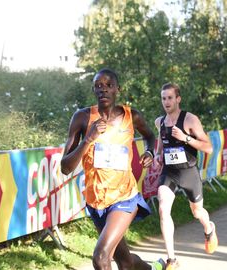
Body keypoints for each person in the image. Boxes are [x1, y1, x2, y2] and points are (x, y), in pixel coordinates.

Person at [61, 68, 166, 270]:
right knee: (125, 263)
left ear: (118, 89)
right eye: (98, 86)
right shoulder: (82, 118)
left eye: (109, 85)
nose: (104, 89)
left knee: (101, 258)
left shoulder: (131, 116)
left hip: (125, 197)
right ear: (93, 90)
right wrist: (88, 139)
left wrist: (150, 153)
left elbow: (150, 136)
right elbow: (66, 167)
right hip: (96, 202)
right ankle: (153, 268)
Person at [154, 83, 218, 270]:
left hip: (189, 172)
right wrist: (157, 156)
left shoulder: (190, 120)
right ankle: (172, 260)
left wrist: (185, 138)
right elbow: (161, 144)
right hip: (169, 172)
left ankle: (209, 228)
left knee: (197, 212)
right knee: (163, 208)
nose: (166, 102)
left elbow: (209, 147)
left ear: (178, 99)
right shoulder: (159, 122)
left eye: (170, 98)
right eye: (163, 98)